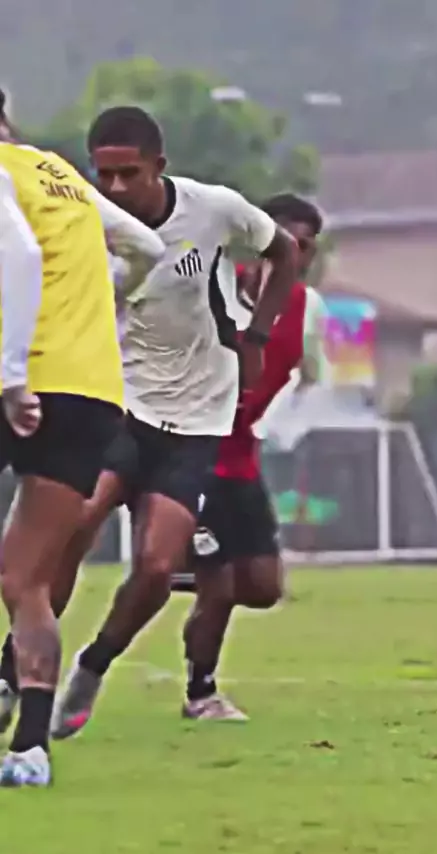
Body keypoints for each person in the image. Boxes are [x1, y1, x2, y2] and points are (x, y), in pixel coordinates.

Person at [0, 105, 295, 741]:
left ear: (159, 166)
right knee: (70, 527)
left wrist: (258, 336)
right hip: (125, 399)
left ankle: (93, 665)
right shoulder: (86, 215)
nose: (114, 188)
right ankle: (13, 674)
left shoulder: (215, 209)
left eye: (128, 174)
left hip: (197, 414)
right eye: (103, 174)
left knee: (159, 565)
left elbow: (285, 250)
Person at [0, 92, 165, 786]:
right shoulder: (58, 173)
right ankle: (30, 748)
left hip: (25, 383)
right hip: (92, 390)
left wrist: (13, 377)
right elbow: (147, 247)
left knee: (21, 573)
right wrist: (108, 299)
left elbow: (18, 254)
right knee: (25, 578)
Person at [181, 194, 325, 720]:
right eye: (282, 240)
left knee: (263, 589)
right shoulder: (213, 289)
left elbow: (310, 379)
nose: (291, 253)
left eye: (303, 246)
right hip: (192, 455)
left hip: (242, 462)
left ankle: (179, 572)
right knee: (218, 587)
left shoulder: (308, 310)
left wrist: (277, 426)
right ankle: (201, 693)